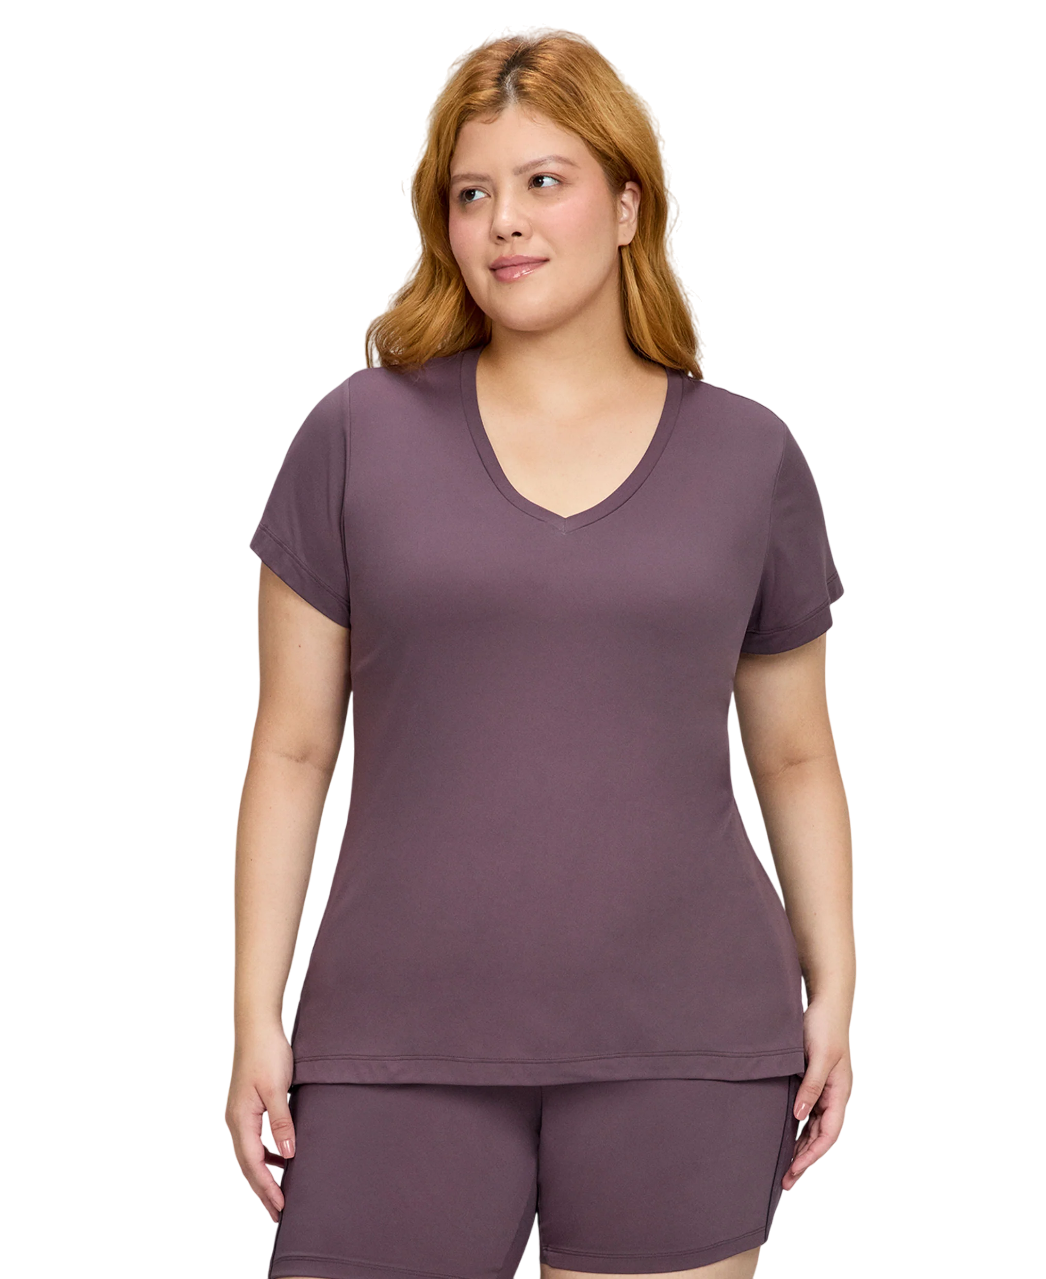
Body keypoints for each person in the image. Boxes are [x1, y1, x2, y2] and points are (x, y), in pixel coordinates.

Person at [228, 25, 855, 1279]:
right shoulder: (352, 434)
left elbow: (793, 756)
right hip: (391, 1041)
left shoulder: (753, 457)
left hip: (689, 1048)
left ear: (628, 206)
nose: (503, 220)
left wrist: (836, 983)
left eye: (542, 180)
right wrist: (254, 1012)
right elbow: (292, 748)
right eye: (471, 194)